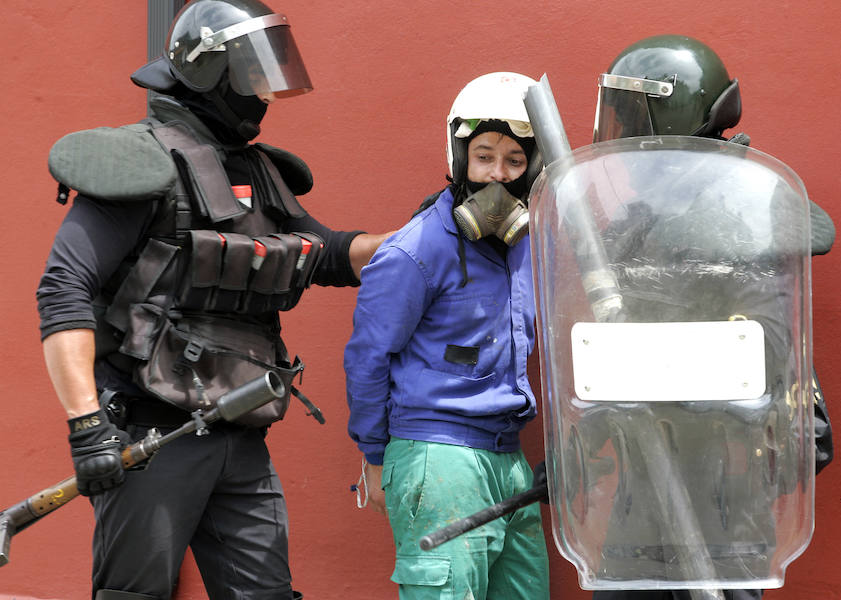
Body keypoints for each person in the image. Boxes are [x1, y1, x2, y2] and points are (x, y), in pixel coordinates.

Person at [37, 1, 390, 598]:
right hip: (149, 437)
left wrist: (428, 239)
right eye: (253, 73)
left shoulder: (258, 170)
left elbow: (324, 254)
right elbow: (63, 288)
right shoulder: (139, 164)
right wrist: (86, 428)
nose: (263, 91)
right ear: (211, 72)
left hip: (239, 430)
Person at [587, 34, 836, 600]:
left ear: (665, 115)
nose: (621, 137)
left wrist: (648, 371)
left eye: (630, 119)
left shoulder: (746, 209)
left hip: (724, 486)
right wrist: (587, 431)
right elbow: (607, 346)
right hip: (639, 488)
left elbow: (762, 348)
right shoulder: (637, 225)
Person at [344, 72, 550, 599]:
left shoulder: (525, 247)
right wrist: (374, 457)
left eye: (514, 160)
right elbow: (367, 357)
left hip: (509, 458)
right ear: (459, 158)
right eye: (483, 156)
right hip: (440, 459)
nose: (497, 176)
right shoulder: (415, 251)